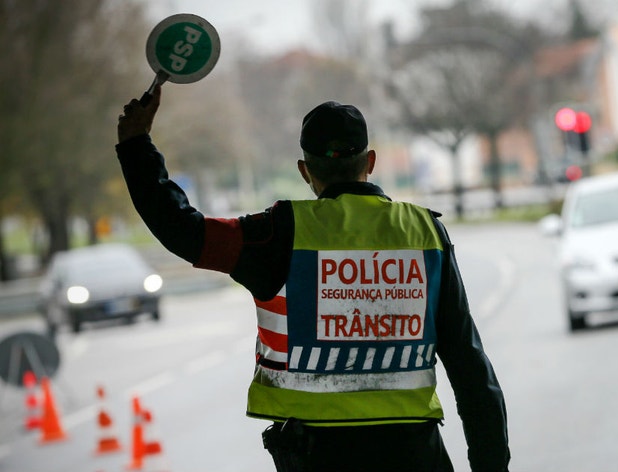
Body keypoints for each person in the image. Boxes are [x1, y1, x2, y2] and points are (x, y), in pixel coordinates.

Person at [116, 84, 510, 472]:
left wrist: (137, 144)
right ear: (370, 161)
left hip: (318, 457)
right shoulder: (425, 233)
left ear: (305, 171)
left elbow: (184, 231)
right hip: (417, 456)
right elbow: (471, 369)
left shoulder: (277, 234)